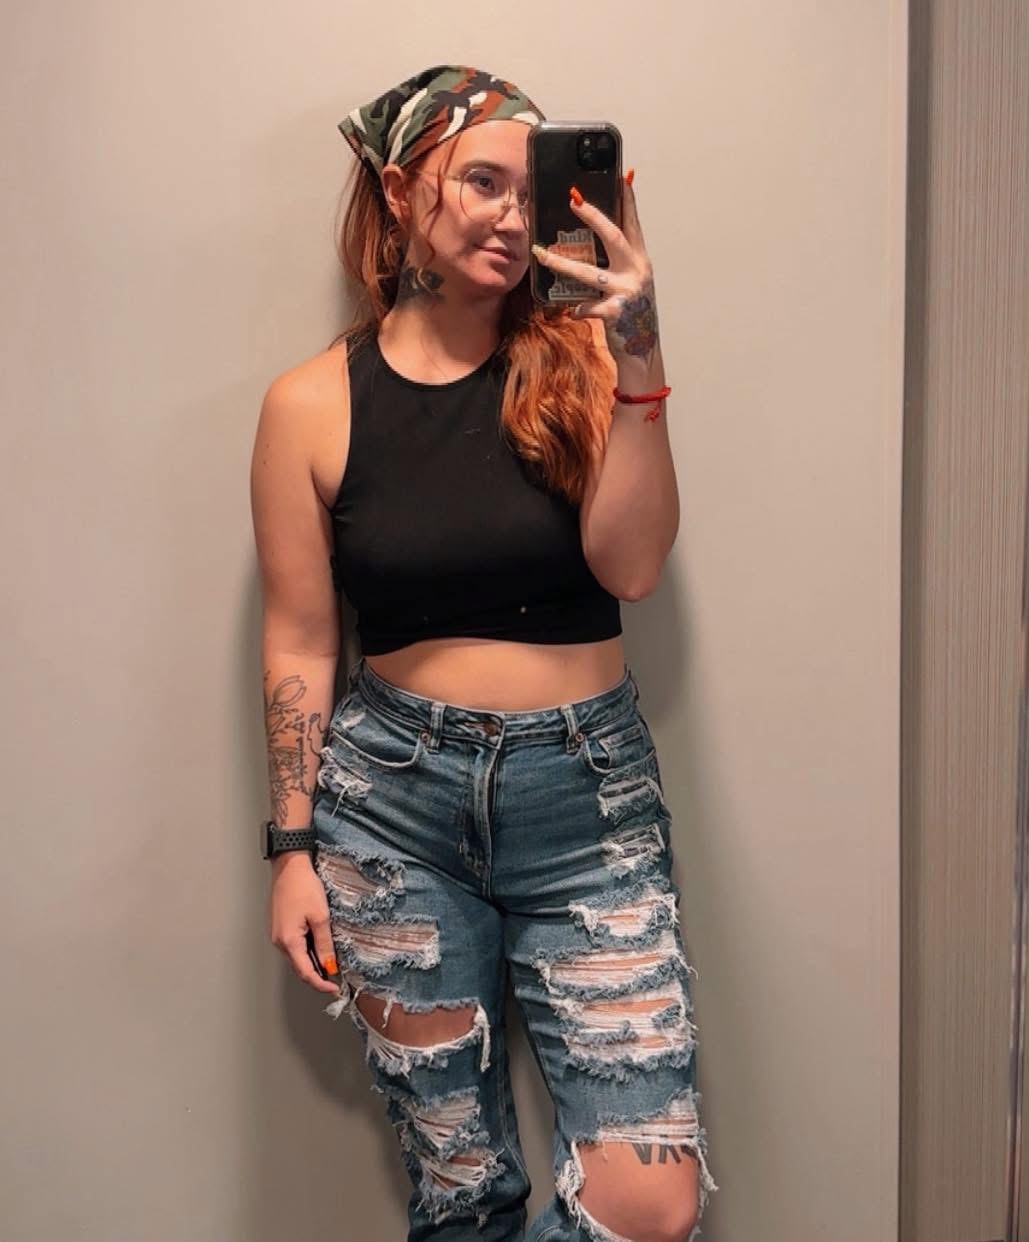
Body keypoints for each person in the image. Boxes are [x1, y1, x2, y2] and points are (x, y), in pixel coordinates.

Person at [249, 65, 717, 1242]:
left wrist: (639, 343)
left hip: (587, 803)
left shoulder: (583, 363)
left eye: (529, 188)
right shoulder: (310, 405)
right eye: (481, 183)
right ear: (400, 193)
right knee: (460, 1195)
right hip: (389, 811)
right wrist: (292, 849)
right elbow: (301, 635)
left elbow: (632, 569)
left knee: (648, 1203)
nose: (513, 216)